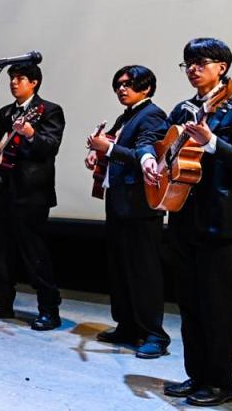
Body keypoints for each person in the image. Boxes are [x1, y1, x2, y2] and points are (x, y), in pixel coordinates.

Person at [141, 38, 232, 406]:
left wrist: (212, 143)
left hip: (218, 221)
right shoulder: (182, 108)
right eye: (187, 63)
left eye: (200, 62)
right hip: (182, 216)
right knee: (190, 305)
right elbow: (163, 144)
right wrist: (151, 160)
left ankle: (221, 383)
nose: (193, 69)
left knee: (217, 308)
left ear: (221, 66)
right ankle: (196, 377)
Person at [84, 66, 170, 358]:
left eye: (129, 84)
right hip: (120, 202)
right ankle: (128, 326)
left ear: (146, 87)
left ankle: (154, 334)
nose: (122, 89)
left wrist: (106, 149)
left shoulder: (152, 115)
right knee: (120, 269)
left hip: (141, 206)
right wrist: (98, 153)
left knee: (144, 272)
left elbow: (147, 156)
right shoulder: (127, 115)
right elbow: (114, 150)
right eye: (118, 84)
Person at [0, 64, 65, 331]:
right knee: (0, 251)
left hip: (32, 194)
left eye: (20, 78)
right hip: (3, 189)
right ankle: (2, 302)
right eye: (12, 78)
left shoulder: (49, 110)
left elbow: (50, 147)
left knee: (34, 254)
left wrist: (31, 133)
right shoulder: (6, 112)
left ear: (34, 82)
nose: (14, 83)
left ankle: (49, 310)